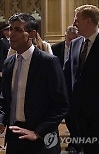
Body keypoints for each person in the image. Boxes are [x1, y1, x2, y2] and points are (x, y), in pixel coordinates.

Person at [0, 13, 69, 154]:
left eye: (17, 30)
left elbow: (61, 105)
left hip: (41, 138)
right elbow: (5, 98)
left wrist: (38, 132)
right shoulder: (9, 63)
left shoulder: (48, 62)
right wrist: (1, 120)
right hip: (14, 135)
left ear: (32, 34)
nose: (11, 34)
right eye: (10, 29)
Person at [65, 4, 99, 154]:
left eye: (77, 20)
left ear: (88, 21)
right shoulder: (75, 44)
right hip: (77, 112)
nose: (74, 24)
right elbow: (67, 74)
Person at [52, 25, 79, 153]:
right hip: (58, 88)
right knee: (65, 116)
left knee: (74, 117)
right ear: (65, 37)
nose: (72, 42)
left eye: (75, 39)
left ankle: (75, 142)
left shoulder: (79, 48)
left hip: (73, 89)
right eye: (70, 39)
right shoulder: (56, 48)